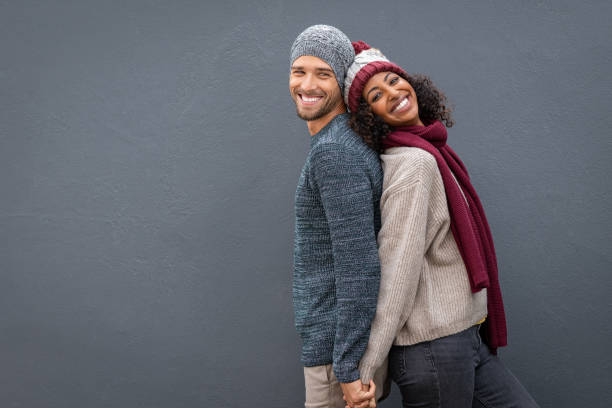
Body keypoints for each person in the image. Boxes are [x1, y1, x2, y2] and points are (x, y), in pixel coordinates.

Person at [340, 41, 540, 408]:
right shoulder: (416, 165)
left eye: (393, 80)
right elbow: (397, 268)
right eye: (376, 95)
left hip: (464, 338)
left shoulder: (433, 151)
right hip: (434, 349)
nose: (393, 93)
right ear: (371, 116)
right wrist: (366, 366)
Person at [289, 27, 389, 408]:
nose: (307, 84)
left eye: (323, 73)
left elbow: (358, 265)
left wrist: (346, 368)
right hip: (337, 350)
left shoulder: (335, 153)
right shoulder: (339, 142)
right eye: (299, 70)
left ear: (341, 81)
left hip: (336, 358)